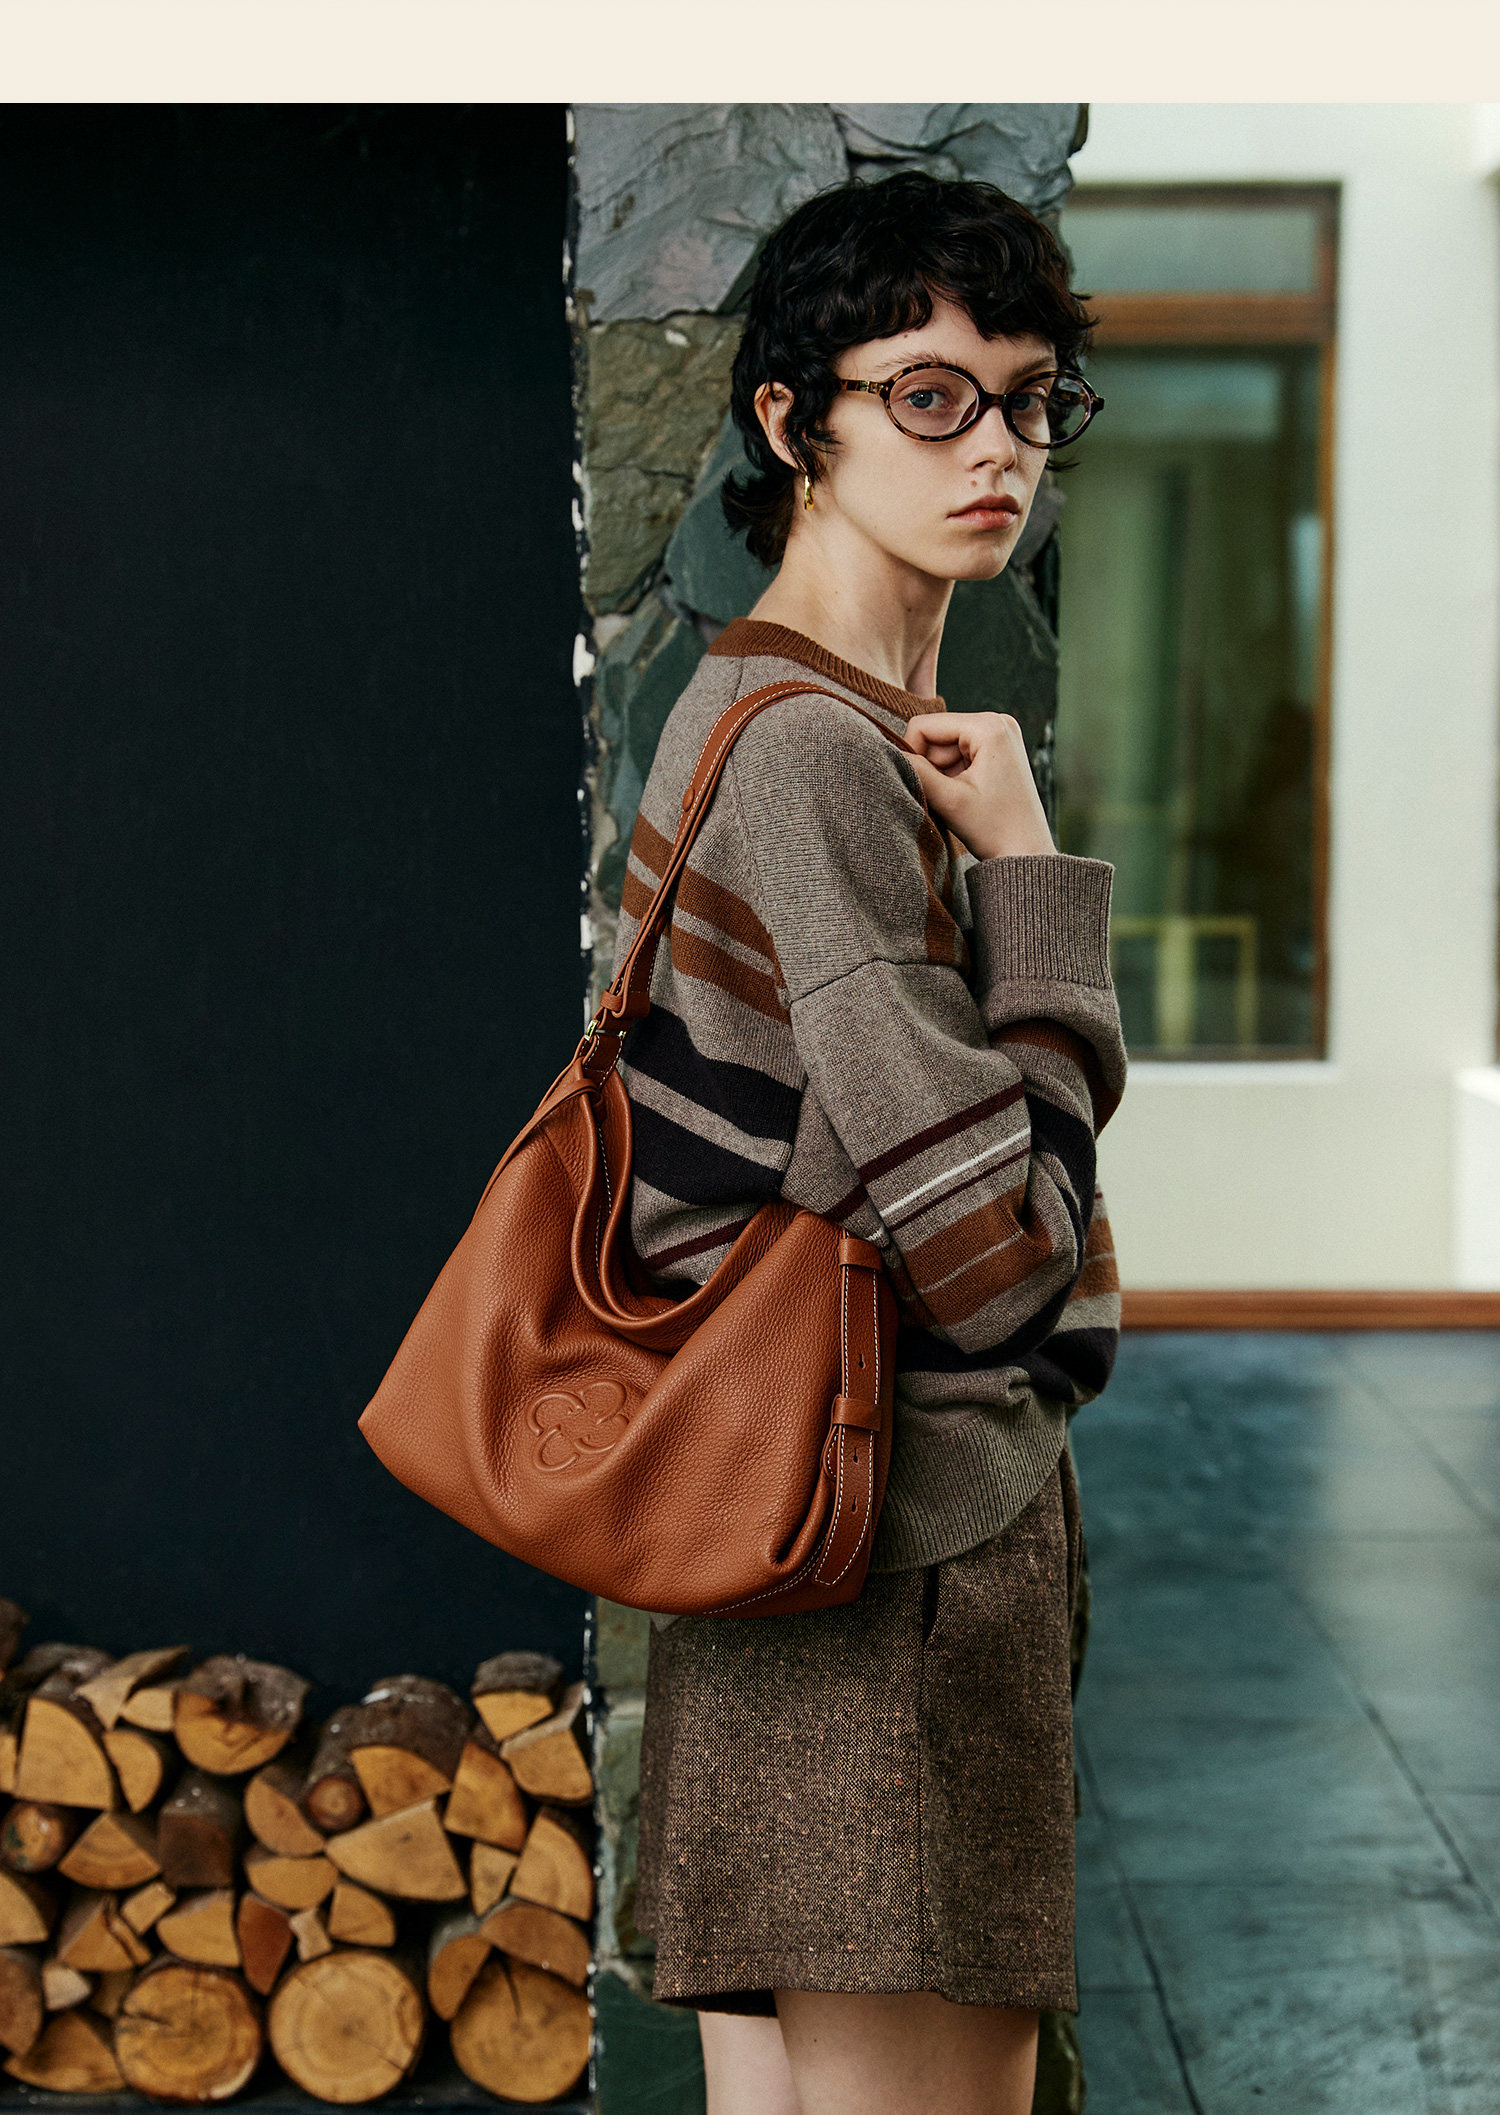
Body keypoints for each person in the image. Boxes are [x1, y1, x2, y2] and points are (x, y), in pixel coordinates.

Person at [604, 170, 1128, 2115]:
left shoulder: (746, 705)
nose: (998, 448)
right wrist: (1036, 885)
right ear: (789, 419)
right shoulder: (820, 758)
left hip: (790, 1548)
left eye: (1030, 398)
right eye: (928, 395)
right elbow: (997, 1253)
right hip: (897, 1554)